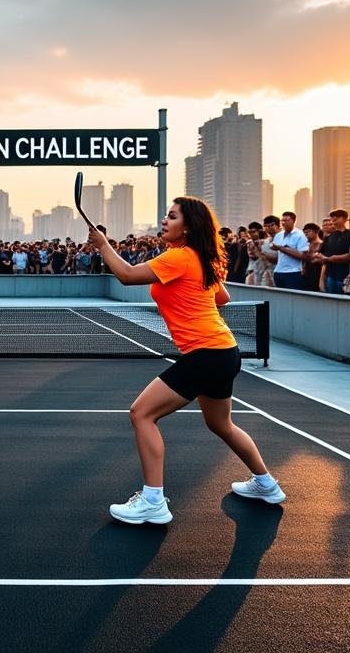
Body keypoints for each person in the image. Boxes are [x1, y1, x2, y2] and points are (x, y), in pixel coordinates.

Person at [88, 196, 285, 526]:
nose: (165, 221)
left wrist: (103, 244)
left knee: (141, 414)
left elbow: (125, 274)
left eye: (172, 216)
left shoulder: (178, 257)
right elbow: (222, 298)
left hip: (207, 354)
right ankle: (266, 484)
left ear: (189, 227)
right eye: (166, 215)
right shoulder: (200, 259)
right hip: (224, 352)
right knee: (220, 424)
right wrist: (194, 309)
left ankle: (153, 500)